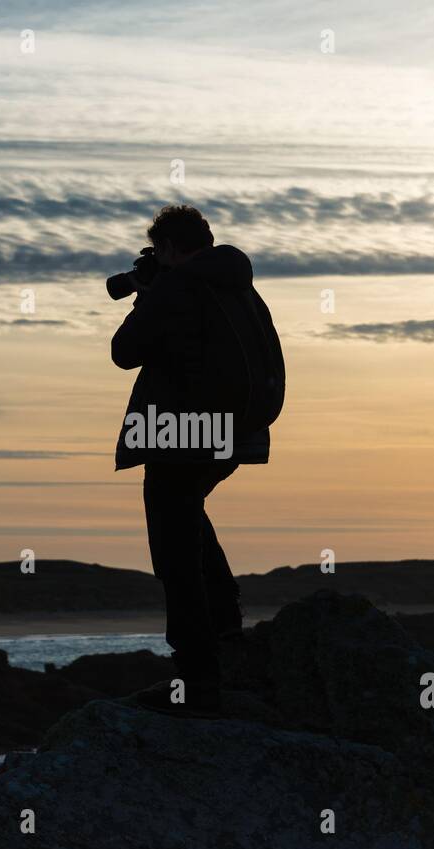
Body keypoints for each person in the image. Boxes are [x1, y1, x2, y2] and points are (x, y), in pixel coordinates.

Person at [110, 205, 284, 717]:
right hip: (233, 435)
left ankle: (196, 677)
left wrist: (148, 294)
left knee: (173, 551)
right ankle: (228, 635)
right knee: (188, 520)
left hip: (177, 434)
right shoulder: (238, 285)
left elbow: (124, 351)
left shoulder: (175, 287)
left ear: (167, 248)